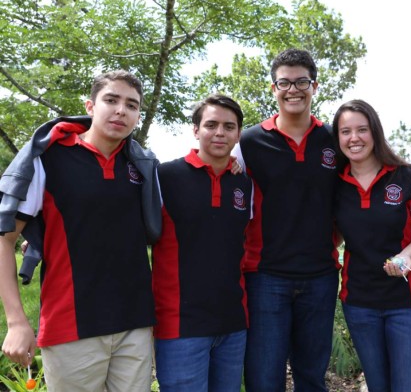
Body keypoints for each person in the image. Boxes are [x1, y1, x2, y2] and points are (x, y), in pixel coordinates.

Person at [0, 70, 161, 392]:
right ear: (90, 106)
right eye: (111, 100)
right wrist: (17, 322)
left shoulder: (142, 166)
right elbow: (5, 240)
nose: (120, 110)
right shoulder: (49, 159)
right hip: (71, 323)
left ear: (138, 116)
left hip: (135, 324)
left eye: (131, 105)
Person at [233, 48, 340, 391]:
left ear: (315, 86)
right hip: (266, 277)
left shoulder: (334, 140)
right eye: (284, 83)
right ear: (273, 88)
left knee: (311, 376)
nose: (293, 89)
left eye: (301, 82)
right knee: (265, 378)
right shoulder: (247, 142)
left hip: (321, 275)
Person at [152, 94, 252, 392]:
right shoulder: (165, 176)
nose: (220, 132)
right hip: (180, 324)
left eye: (229, 126)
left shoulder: (244, 183)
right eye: (211, 124)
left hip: (233, 323)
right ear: (196, 130)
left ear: (238, 134)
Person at [332, 99, 411, 391]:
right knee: (378, 386)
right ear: (337, 138)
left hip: (409, 303)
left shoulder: (407, 176)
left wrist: (406, 255)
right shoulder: (334, 184)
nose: (354, 138)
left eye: (362, 129)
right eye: (345, 131)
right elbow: (334, 234)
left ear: (375, 132)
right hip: (359, 302)